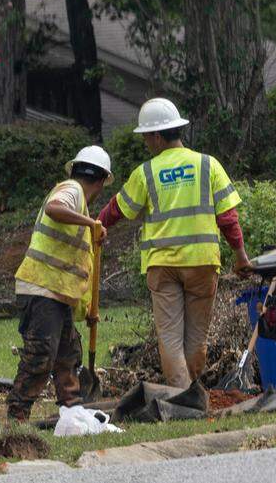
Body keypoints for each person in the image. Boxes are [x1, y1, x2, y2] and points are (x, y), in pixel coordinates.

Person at [97, 98, 252, 389]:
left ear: (157, 136)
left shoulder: (146, 172)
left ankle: (182, 397)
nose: (145, 142)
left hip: (163, 265)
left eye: (146, 136)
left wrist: (96, 226)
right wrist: (241, 256)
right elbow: (228, 218)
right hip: (202, 263)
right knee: (196, 338)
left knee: (169, 338)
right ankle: (191, 394)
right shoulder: (208, 165)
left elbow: (118, 208)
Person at [7, 145, 112, 422]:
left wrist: (87, 309)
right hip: (41, 289)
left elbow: (76, 267)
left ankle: (72, 408)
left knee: (68, 353)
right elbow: (54, 208)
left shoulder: (80, 206)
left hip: (57, 294)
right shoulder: (72, 190)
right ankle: (17, 414)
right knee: (41, 355)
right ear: (102, 181)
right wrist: (91, 223)